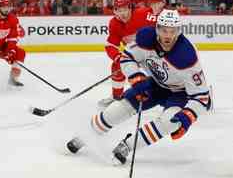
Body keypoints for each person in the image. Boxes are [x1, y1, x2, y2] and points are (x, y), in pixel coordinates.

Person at [66, 9, 211, 162]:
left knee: (170, 122)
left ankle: (127, 146)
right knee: (119, 108)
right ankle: (86, 134)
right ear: (157, 29)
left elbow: (201, 97)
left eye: (172, 31)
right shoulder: (146, 39)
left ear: (179, 31)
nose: (167, 35)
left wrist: (188, 116)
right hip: (155, 84)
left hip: (180, 93)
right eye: (164, 30)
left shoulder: (186, 55)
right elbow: (127, 57)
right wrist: (136, 78)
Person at [98, 0, 166, 109]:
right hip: (133, 55)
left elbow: (163, 22)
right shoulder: (114, 24)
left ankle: (185, 96)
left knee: (164, 76)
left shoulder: (143, 14)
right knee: (117, 66)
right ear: (114, 11)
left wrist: (158, 10)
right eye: (119, 10)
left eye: (125, 9)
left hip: (153, 53)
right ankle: (117, 97)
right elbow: (111, 45)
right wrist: (118, 58)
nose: (122, 13)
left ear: (130, 8)